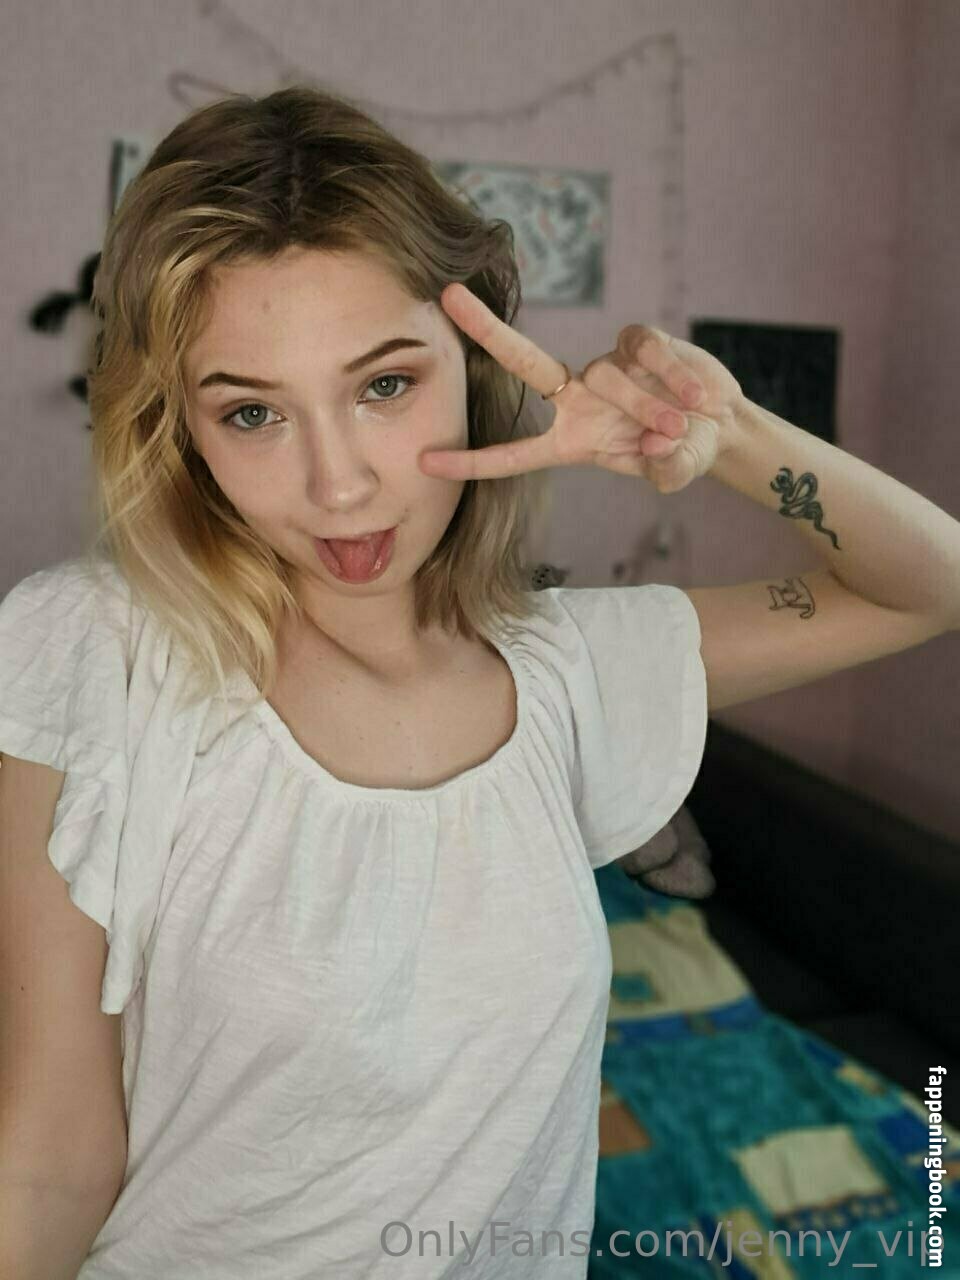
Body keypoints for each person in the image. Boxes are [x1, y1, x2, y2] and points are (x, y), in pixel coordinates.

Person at [2, 83, 957, 1280]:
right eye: (252, 412)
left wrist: (723, 436)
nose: (339, 484)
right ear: (183, 430)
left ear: (473, 357)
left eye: (384, 385)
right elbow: (52, 1156)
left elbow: (926, 584)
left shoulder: (569, 669)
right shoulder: (95, 651)